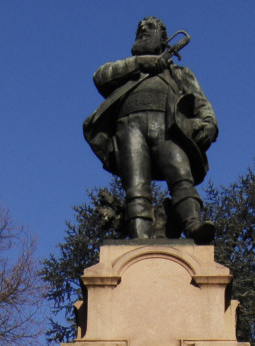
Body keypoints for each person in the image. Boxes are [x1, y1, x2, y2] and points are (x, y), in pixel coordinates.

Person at [83, 17, 219, 243]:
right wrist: (141, 63)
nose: (142, 30)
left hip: (168, 128)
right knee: (136, 186)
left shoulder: (180, 73)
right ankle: (139, 236)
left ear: (164, 39)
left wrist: (210, 124)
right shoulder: (126, 70)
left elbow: (201, 104)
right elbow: (100, 77)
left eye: (150, 28)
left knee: (181, 173)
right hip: (129, 127)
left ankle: (193, 224)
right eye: (140, 28)